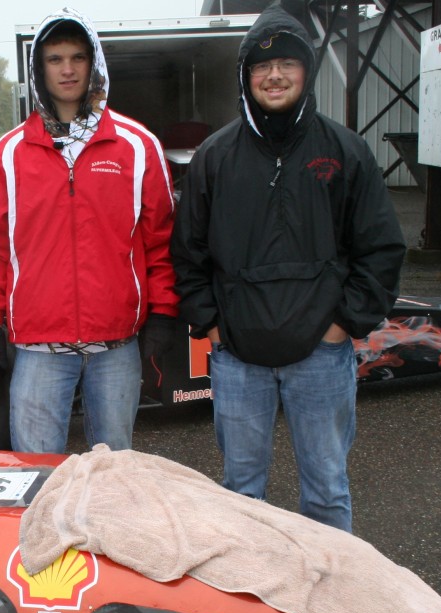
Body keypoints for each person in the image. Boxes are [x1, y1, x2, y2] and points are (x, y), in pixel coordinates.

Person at [171, 2, 406, 533]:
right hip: (239, 360)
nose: (274, 76)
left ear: (307, 71)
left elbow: (381, 249)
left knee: (326, 492)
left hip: (320, 359)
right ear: (246, 75)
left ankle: (330, 607)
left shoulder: (345, 151)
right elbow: (187, 252)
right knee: (241, 495)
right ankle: (249, 608)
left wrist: (341, 326)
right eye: (261, 65)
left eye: (288, 64)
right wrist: (212, 324)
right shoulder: (214, 156)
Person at [0, 9, 177, 454]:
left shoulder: (138, 146)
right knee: (39, 474)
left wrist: (163, 312)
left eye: (78, 58)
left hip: (116, 345)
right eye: (55, 58)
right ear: (39, 69)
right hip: (38, 345)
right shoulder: (9, 153)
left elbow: (159, 239)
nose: (67, 69)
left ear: (94, 63)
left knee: (113, 475)